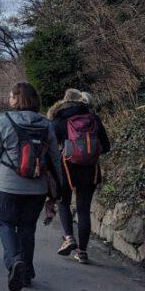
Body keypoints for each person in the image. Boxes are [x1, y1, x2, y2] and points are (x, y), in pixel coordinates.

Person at [0, 82, 61, 291]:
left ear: (18, 99)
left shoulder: (4, 122)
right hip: (37, 188)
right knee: (27, 228)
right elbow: (55, 159)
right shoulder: (47, 125)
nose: (9, 100)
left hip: (8, 185)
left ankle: (15, 261)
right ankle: (25, 274)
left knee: (4, 222)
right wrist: (56, 190)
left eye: (11, 97)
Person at [48, 89, 111, 264]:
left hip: (66, 167)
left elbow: (50, 145)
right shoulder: (93, 119)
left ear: (65, 101)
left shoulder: (59, 119)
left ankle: (69, 238)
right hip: (90, 169)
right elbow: (106, 146)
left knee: (63, 202)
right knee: (84, 209)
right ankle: (82, 252)